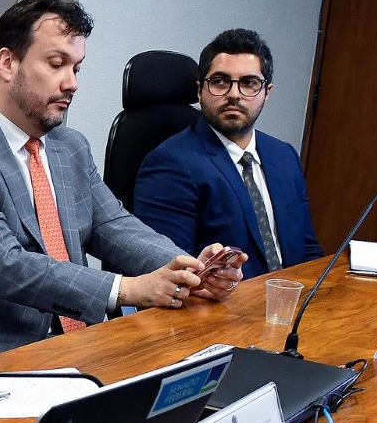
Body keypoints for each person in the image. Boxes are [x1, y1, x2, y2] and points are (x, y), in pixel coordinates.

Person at [0, 0, 245, 372]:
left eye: (77, 68)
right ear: (8, 63)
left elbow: (113, 225)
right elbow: (3, 266)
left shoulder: (69, 146)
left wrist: (189, 269)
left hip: (76, 348)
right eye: (56, 64)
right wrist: (128, 289)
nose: (72, 83)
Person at [135, 28, 322, 276]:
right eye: (220, 82)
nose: (234, 95)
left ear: (267, 92)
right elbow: (173, 272)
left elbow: (308, 249)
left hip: (292, 295)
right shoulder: (170, 164)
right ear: (200, 90)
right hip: (223, 299)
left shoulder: (285, 156)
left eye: (249, 83)